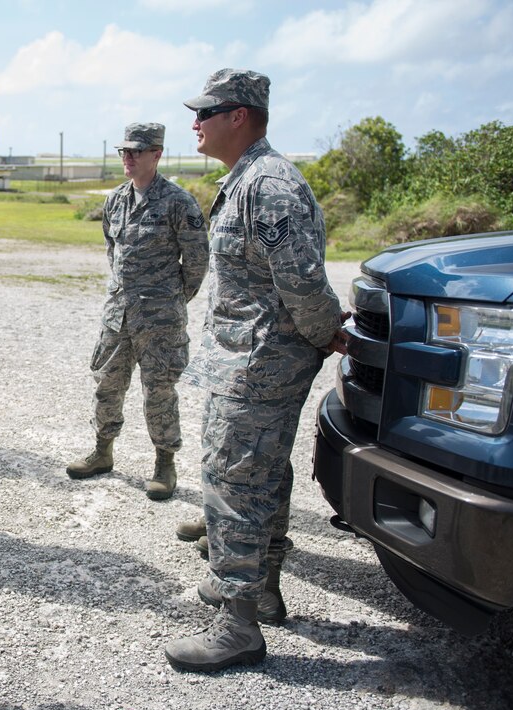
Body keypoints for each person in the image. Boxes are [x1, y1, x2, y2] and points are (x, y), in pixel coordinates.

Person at [164, 69, 349, 673]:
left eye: (205, 112)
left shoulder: (267, 184)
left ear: (238, 115)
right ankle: (257, 588)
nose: (194, 123)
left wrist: (326, 333)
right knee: (259, 471)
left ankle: (237, 624)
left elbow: (301, 280)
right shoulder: (246, 179)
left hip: (260, 362)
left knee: (236, 480)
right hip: (249, 358)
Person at [66, 122, 208, 500]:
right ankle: (102, 451)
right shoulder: (115, 200)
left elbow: (196, 263)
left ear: (156, 154)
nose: (128, 158)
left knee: (159, 391)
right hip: (119, 315)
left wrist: (170, 300)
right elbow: (113, 250)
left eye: (136, 151)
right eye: (124, 151)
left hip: (160, 320)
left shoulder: (179, 202)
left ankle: (164, 463)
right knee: (107, 384)